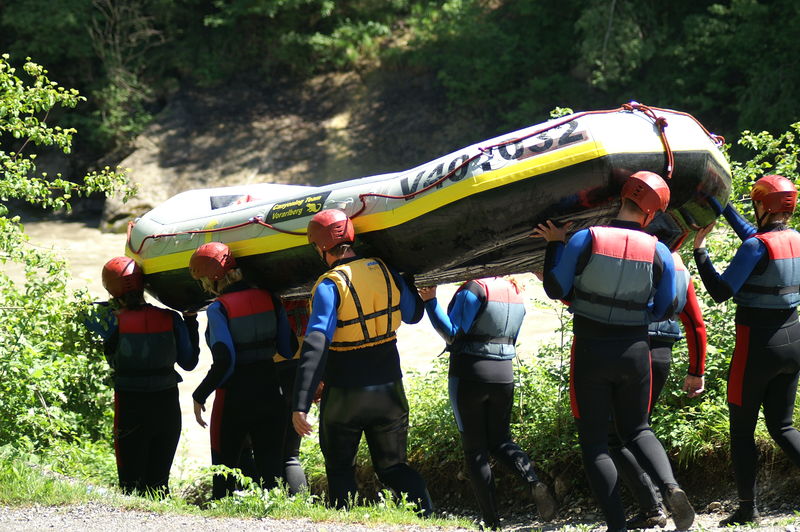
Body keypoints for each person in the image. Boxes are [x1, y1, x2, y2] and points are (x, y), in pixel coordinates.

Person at [532, 171, 695, 532]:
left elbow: (556, 288)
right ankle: (670, 486)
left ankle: (616, 526)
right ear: (651, 215)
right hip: (635, 349)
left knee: (594, 443)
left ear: (620, 199)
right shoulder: (661, 251)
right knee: (637, 429)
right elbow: (667, 307)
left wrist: (555, 243)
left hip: (591, 349)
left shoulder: (586, 238)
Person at [291, 208, 433, 515]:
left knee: (341, 469)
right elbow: (413, 314)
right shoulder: (384, 270)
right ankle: (428, 519)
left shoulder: (330, 284)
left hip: (346, 393)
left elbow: (316, 343)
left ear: (319, 247)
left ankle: (345, 520)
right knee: (394, 467)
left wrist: (301, 401)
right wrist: (406, 281)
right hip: (389, 390)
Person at [693, 174, 800, 526]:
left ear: (761, 206)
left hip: (758, 346)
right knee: (782, 427)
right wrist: (722, 206)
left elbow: (722, 291)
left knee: (741, 432)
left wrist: (700, 252)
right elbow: (756, 241)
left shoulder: (756, 246)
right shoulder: (795, 239)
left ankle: (747, 509)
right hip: (793, 341)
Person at [418, 277, 557, 529]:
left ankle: (492, 523)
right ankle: (533, 481)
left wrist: (430, 301)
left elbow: (452, 333)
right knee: (501, 440)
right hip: (504, 374)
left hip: (469, 374)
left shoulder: (473, 289)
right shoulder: (515, 292)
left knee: (475, 450)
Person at [609, 230, 708, 529]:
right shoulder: (678, 264)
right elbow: (696, 324)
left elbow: (600, 303)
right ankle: (668, 489)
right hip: (661, 355)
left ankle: (652, 506)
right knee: (638, 429)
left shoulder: (627, 255)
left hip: (628, 348)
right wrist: (696, 370)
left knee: (615, 437)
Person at [189, 241, 296, 499]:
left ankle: (223, 515)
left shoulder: (219, 308)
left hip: (234, 397)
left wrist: (199, 394)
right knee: (272, 472)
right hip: (271, 389)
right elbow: (289, 347)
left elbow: (225, 360)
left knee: (223, 471)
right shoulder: (270, 298)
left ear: (210, 279)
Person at [93, 256, 199, 496]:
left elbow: (81, 315)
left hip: (131, 405)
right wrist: (190, 321)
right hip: (167, 404)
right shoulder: (170, 318)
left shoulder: (109, 319)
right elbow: (190, 363)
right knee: (158, 485)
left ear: (110, 289)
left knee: (130, 485)